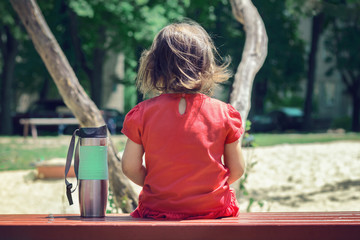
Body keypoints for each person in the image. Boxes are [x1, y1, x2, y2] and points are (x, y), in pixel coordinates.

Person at [121, 20, 246, 220]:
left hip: (157, 209)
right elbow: (237, 169)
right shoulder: (224, 114)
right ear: (205, 66)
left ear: (155, 66)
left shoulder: (142, 114)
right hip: (213, 210)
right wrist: (208, 190)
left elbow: (129, 166)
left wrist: (161, 186)